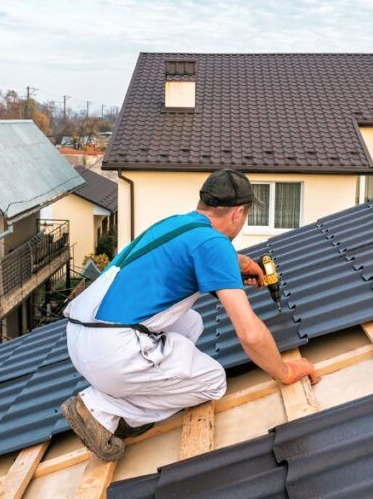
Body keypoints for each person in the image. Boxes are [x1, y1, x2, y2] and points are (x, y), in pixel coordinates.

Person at [59, 169, 320, 461]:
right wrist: (285, 372)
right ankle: (102, 408)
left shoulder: (178, 224)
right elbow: (249, 332)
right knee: (212, 381)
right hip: (111, 353)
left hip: (82, 335)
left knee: (192, 321)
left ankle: (130, 397)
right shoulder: (214, 244)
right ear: (238, 214)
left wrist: (242, 263)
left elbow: (199, 255)